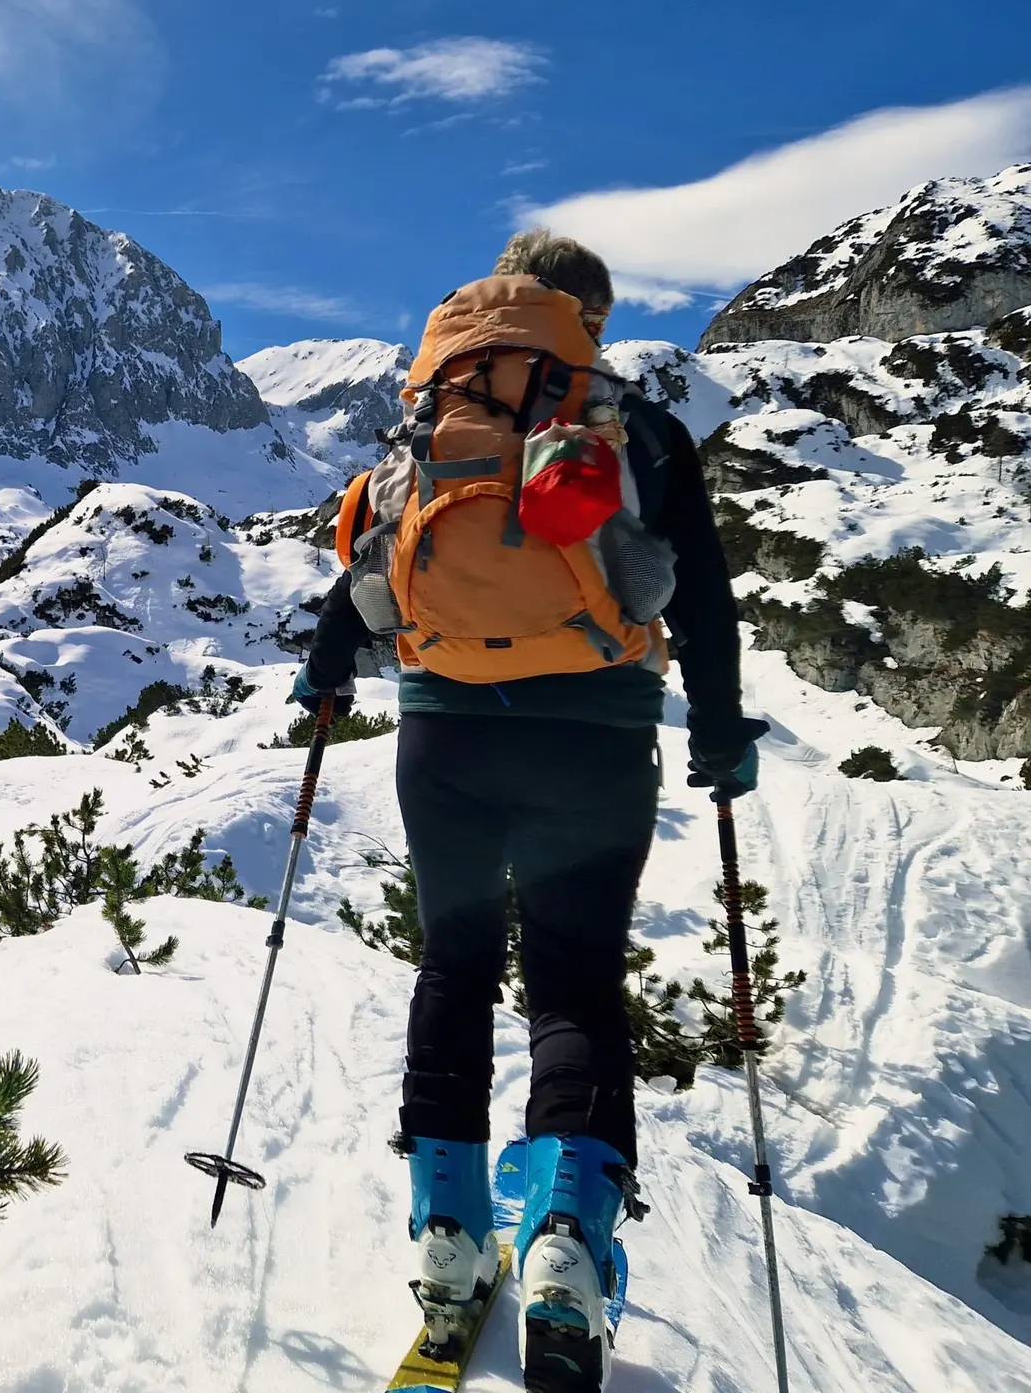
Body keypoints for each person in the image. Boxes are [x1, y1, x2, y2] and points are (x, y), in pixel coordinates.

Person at [292, 230, 766, 1391]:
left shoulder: (427, 424)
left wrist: (328, 672)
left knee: (452, 967)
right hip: (594, 738)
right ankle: (565, 1240)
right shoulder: (633, 427)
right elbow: (700, 592)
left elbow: (361, 569)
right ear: (586, 322)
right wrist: (717, 728)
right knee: (573, 984)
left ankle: (448, 1239)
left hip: (443, 730)